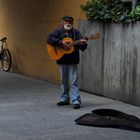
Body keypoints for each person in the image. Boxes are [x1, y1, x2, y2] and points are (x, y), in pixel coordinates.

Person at [47, 16, 87, 109]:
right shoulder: (57, 32)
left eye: (70, 22)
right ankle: (64, 99)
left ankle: (76, 100)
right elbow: (49, 39)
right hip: (62, 59)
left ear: (72, 23)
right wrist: (61, 42)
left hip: (73, 60)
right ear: (62, 22)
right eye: (66, 21)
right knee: (63, 80)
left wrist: (83, 43)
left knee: (74, 81)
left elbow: (83, 47)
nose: (68, 23)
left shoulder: (76, 33)